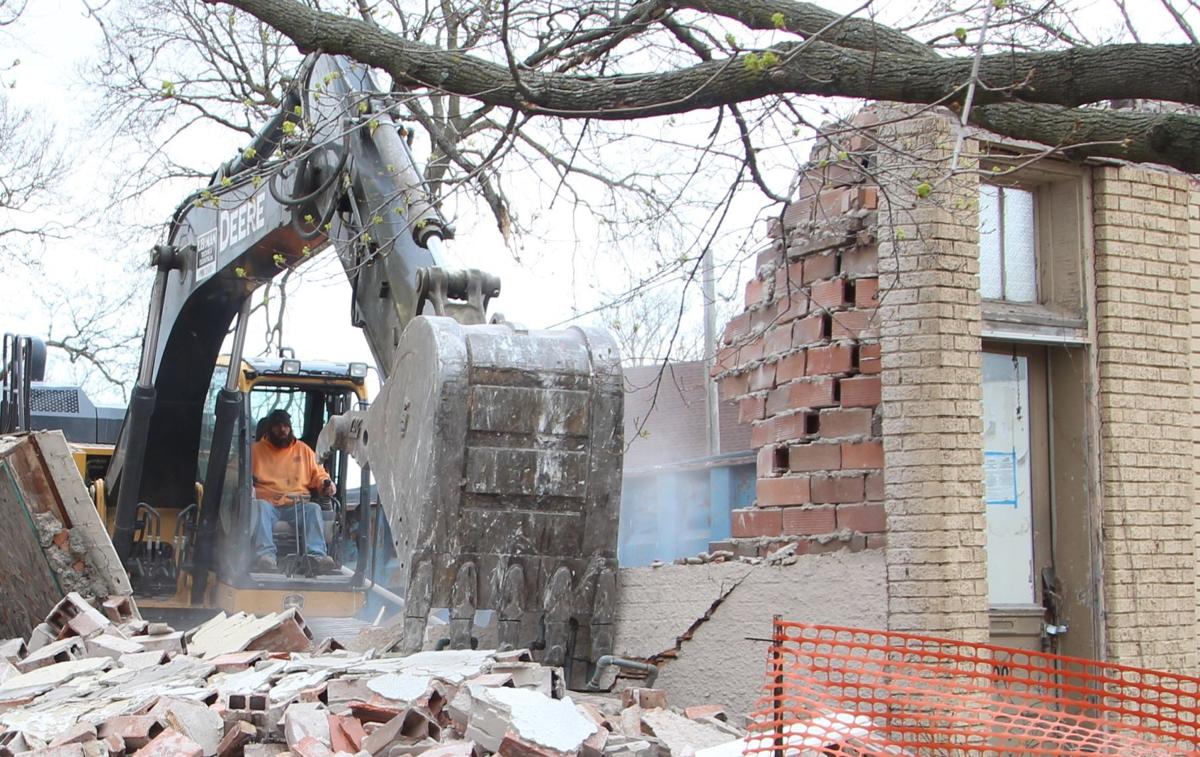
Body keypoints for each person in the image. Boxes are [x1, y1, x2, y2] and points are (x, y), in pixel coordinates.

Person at [250, 408, 337, 572]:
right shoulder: (255, 451)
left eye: (285, 426)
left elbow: (319, 474)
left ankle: (317, 557)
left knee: (314, 508)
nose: (282, 430)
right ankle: (266, 557)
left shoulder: (303, 450)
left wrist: (326, 484)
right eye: (277, 426)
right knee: (259, 506)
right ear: (269, 429)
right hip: (268, 504)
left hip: (297, 505)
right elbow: (234, 473)